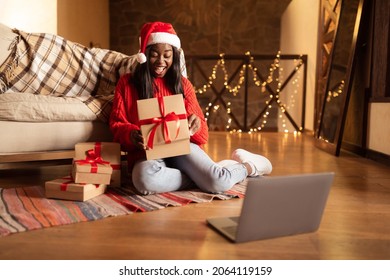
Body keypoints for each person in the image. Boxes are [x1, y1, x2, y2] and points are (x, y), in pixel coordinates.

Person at [109, 21, 272, 195]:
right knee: (145, 180)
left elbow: (203, 135)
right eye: (155, 54)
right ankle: (208, 175)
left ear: (174, 56)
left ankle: (248, 166)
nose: (161, 61)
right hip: (148, 155)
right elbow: (116, 125)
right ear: (145, 55)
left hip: (182, 149)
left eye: (167, 55)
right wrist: (132, 134)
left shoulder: (183, 84)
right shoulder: (127, 83)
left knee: (218, 184)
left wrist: (196, 126)